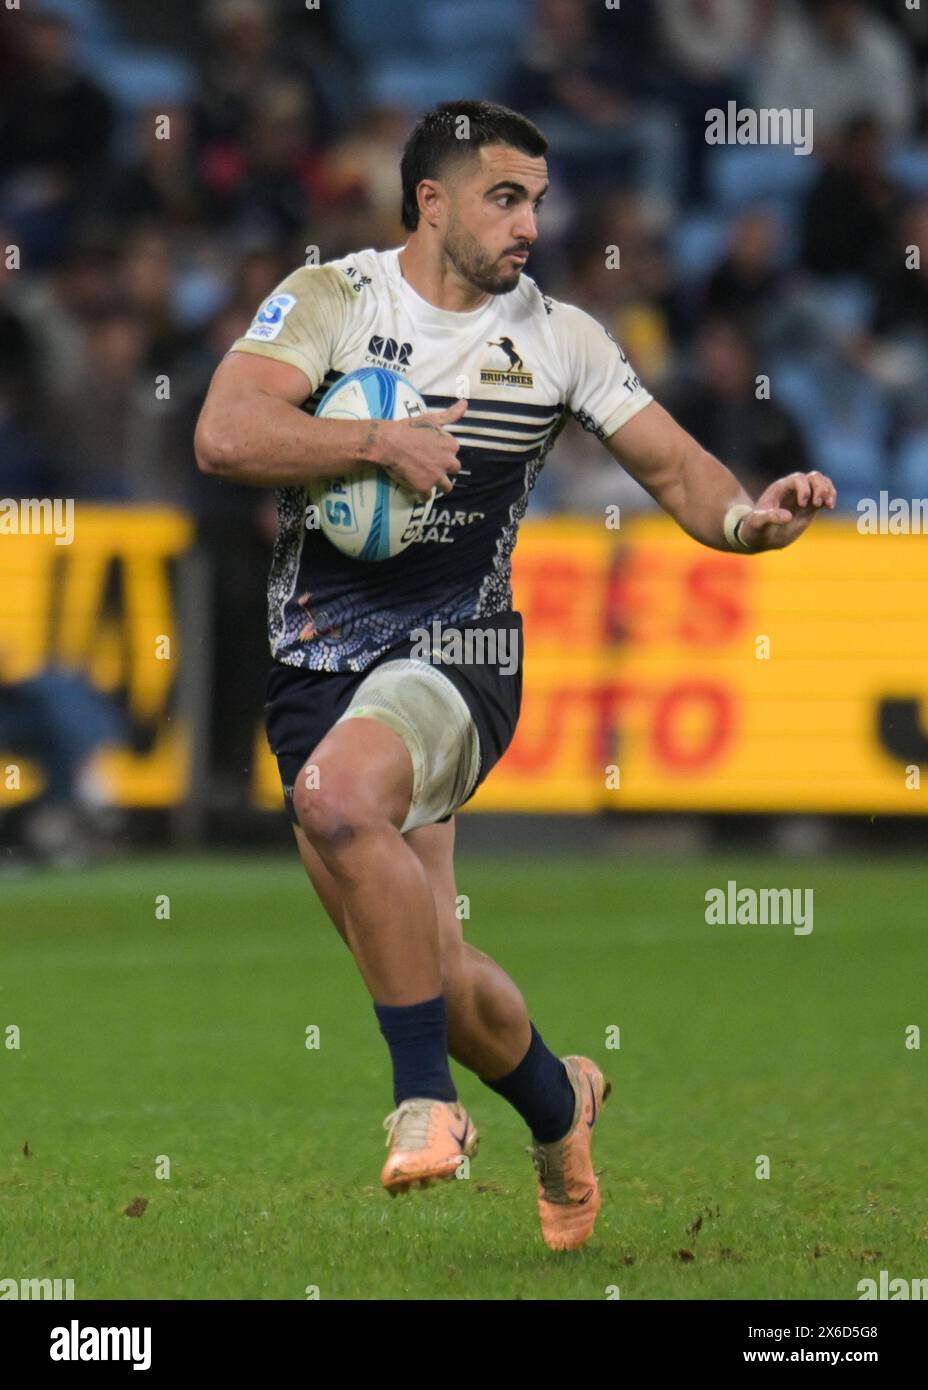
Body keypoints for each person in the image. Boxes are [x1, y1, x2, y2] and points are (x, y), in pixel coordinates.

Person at [194, 100, 835, 1251]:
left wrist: (751, 519)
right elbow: (225, 434)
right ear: (432, 202)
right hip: (314, 667)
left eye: (538, 198)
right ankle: (559, 1104)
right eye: (506, 196)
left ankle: (423, 1104)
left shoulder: (560, 338)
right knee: (431, 961)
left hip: (462, 652)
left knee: (337, 799)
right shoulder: (332, 300)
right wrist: (377, 441)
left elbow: (680, 472)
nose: (532, 222)